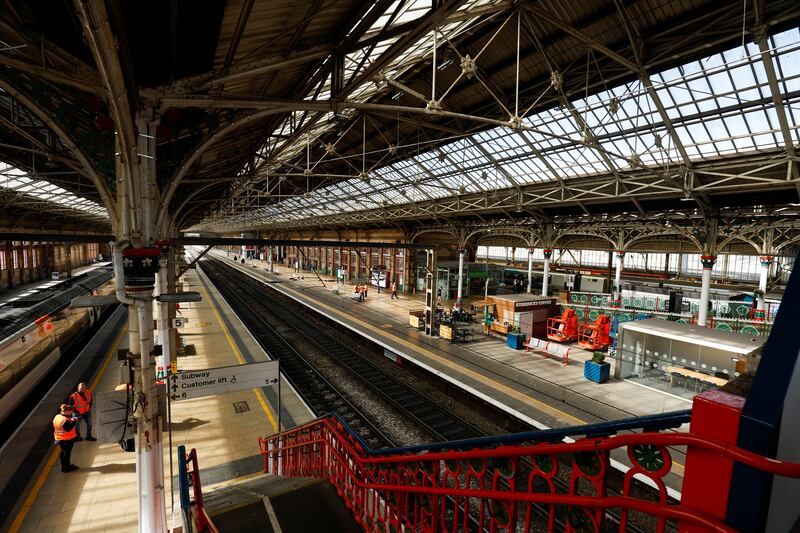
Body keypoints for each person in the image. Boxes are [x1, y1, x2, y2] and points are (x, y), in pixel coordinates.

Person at [53, 404, 79, 472]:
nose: (72, 413)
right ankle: (66, 468)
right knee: (66, 454)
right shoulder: (65, 420)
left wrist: (71, 420)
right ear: (67, 411)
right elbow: (68, 428)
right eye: (71, 412)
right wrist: (74, 421)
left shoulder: (58, 416)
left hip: (59, 438)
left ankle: (65, 466)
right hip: (67, 439)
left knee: (63, 453)